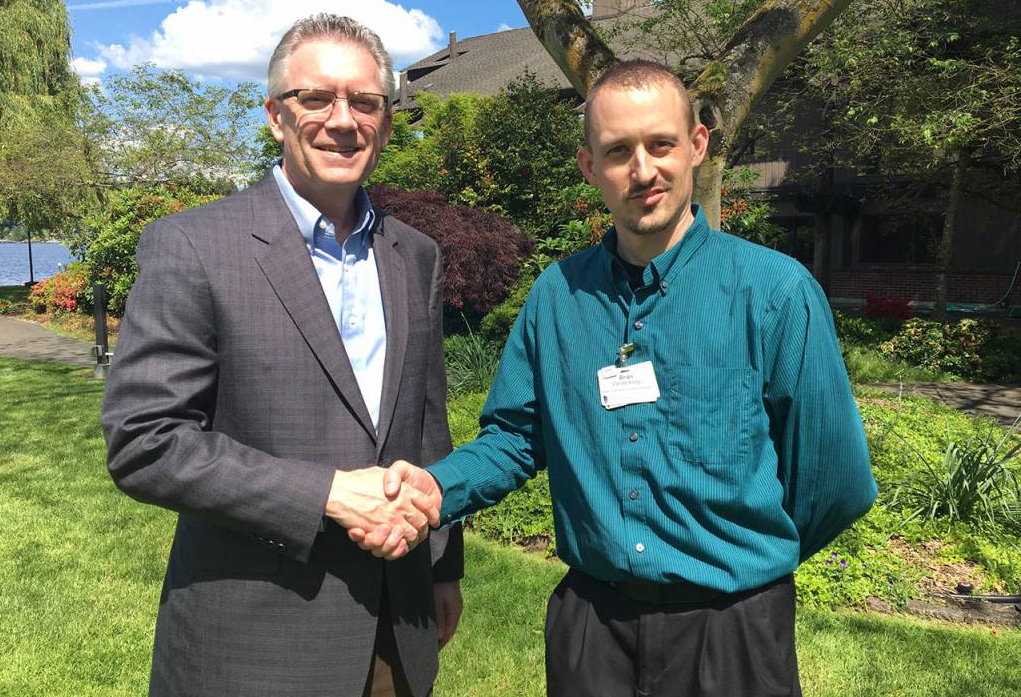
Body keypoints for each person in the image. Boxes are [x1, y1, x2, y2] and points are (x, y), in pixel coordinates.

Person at [363, 59, 877, 696]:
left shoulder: (774, 293)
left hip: (733, 629)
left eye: (661, 144)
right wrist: (435, 490)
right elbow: (518, 437)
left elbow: (835, 482)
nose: (643, 170)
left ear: (696, 146)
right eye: (617, 151)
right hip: (593, 628)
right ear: (589, 167)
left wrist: (740, 554)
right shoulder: (557, 297)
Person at [102, 13, 462, 697]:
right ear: (275, 115)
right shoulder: (195, 247)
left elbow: (427, 424)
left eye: (365, 101)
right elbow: (145, 443)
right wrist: (326, 493)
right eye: (316, 98)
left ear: (386, 122)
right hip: (251, 640)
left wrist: (443, 567)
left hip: (395, 626)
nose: (343, 119)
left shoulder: (415, 255)